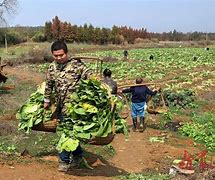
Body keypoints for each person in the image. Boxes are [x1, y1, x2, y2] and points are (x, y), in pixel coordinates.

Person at [44, 40, 91, 172]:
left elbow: (91, 77)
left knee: (67, 132)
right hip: (60, 106)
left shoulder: (77, 65)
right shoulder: (52, 67)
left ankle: (64, 161)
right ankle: (78, 155)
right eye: (55, 56)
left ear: (67, 53)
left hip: (75, 107)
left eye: (61, 55)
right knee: (70, 132)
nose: (58, 58)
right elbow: (49, 84)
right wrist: (47, 100)